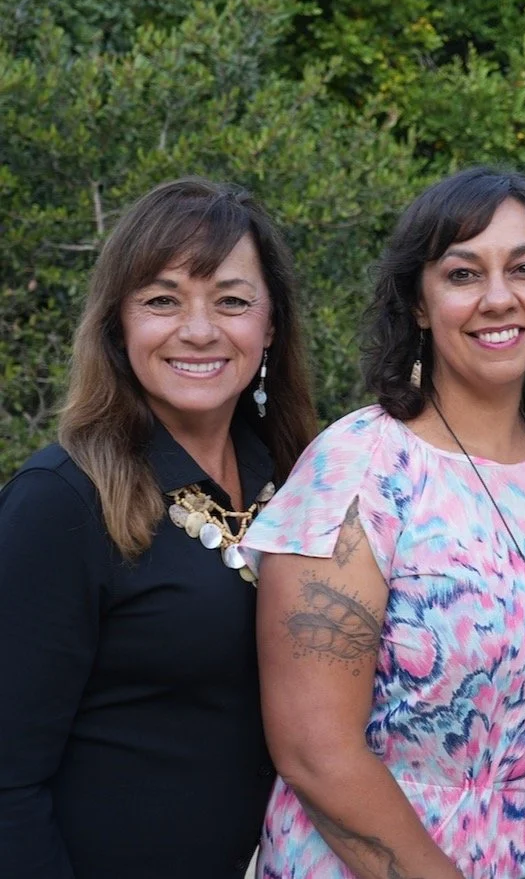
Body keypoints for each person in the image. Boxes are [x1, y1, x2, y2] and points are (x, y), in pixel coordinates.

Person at [241, 167, 525, 879]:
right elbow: (313, 750)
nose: (498, 297)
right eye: (462, 273)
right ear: (419, 304)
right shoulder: (359, 470)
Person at [0, 177, 318, 879]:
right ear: (118, 324)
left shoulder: (300, 482)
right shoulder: (60, 502)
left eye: (231, 301)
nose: (199, 330)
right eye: (162, 300)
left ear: (270, 326)